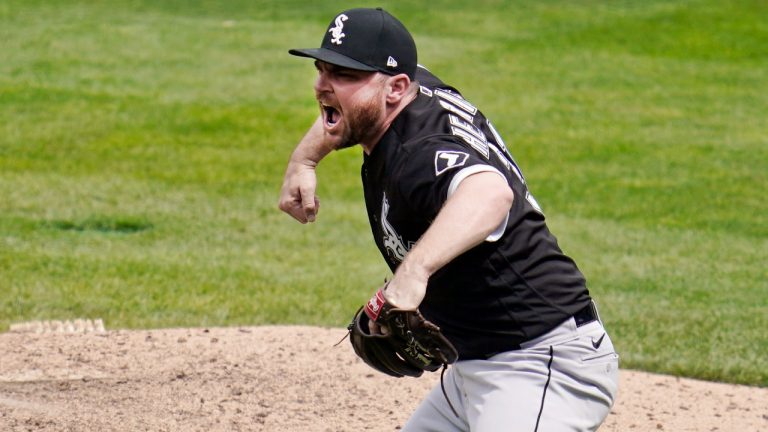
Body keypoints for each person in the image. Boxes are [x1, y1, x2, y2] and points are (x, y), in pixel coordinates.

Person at [279, 7, 619, 432]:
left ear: (397, 88)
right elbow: (344, 106)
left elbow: (490, 192)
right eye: (323, 69)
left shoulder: (418, 155)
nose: (324, 85)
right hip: (475, 369)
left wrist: (413, 273)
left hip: (540, 364)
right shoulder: (408, 88)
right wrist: (304, 159)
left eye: (345, 75)